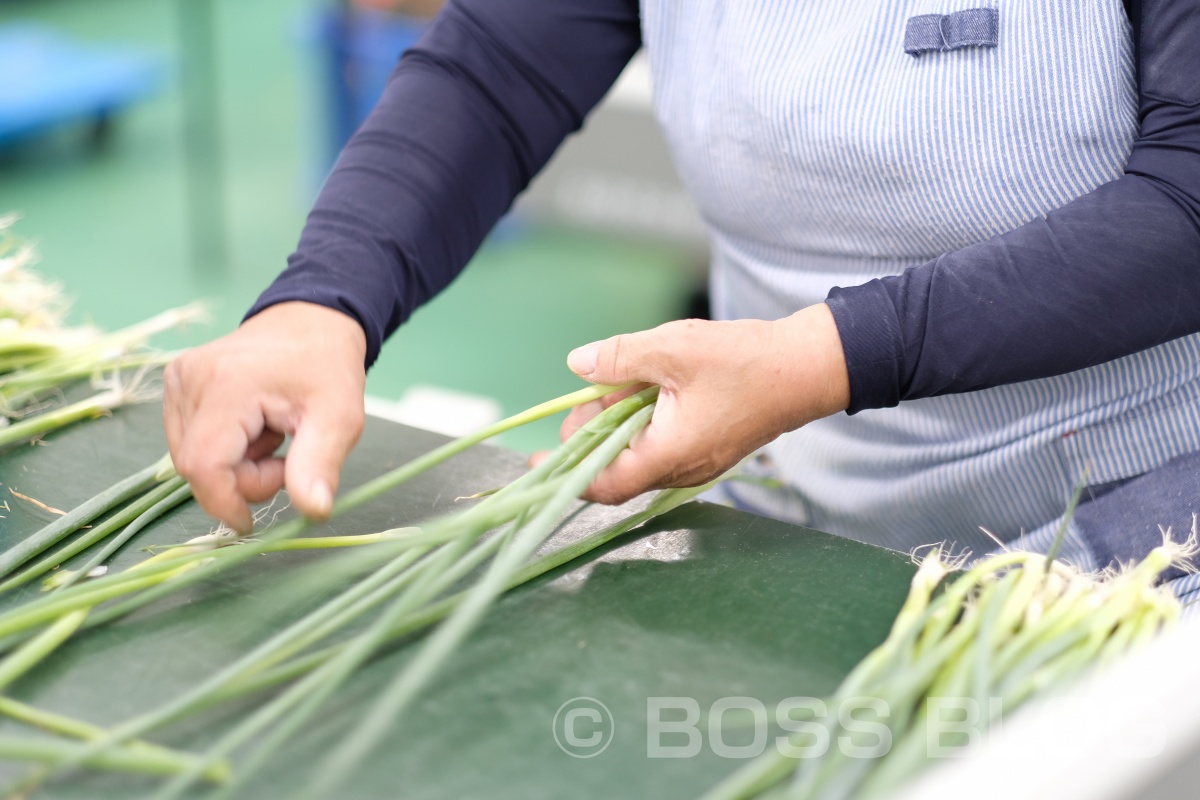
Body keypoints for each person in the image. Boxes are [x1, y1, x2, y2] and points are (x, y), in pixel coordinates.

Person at [164, 0, 1200, 592]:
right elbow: (495, 69)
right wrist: (320, 301)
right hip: (800, 495)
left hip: (1148, 513)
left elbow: (1189, 190)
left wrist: (821, 358)